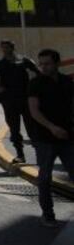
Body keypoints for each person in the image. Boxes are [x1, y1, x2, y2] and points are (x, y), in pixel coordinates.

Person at [26, 48, 74, 228]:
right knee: (45, 177)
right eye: (41, 64)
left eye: (47, 63)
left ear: (57, 64)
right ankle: (48, 214)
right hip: (45, 139)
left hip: (67, 137)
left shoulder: (66, 82)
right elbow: (34, 110)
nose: (43, 67)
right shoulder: (35, 84)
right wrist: (52, 127)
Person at [0, 39, 38, 163]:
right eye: (2, 47)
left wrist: (34, 88)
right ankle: (20, 154)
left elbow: (38, 72)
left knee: (32, 127)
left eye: (7, 47)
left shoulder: (23, 61)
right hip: (9, 100)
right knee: (14, 128)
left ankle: (39, 153)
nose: (4, 50)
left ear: (12, 48)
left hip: (25, 99)